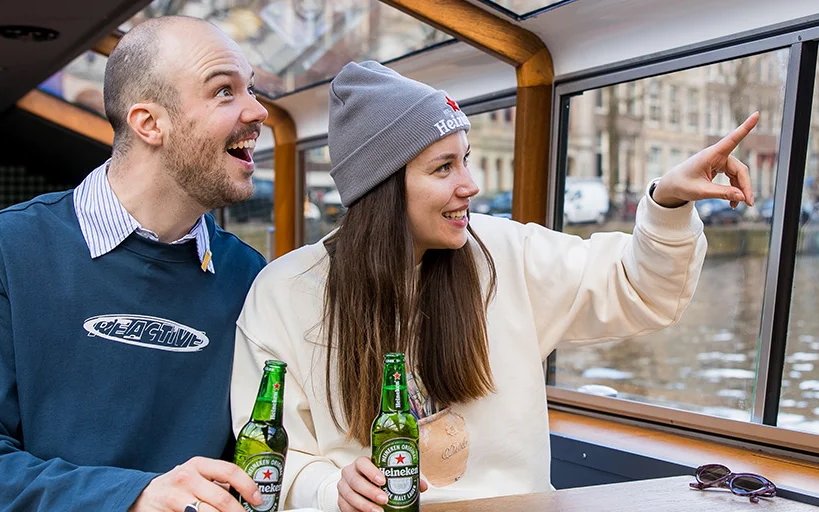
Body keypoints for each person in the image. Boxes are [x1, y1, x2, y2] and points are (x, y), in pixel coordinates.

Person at [230, 61, 759, 512]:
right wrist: (331, 488)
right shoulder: (285, 293)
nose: (471, 184)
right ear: (382, 188)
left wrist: (667, 203)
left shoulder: (504, 252)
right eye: (443, 167)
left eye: (465, 159)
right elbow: (273, 458)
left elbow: (636, 286)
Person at [0, 16, 270, 512]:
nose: (258, 110)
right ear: (149, 123)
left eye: (250, 88)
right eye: (224, 91)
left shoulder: (251, 277)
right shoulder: (9, 250)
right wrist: (134, 496)